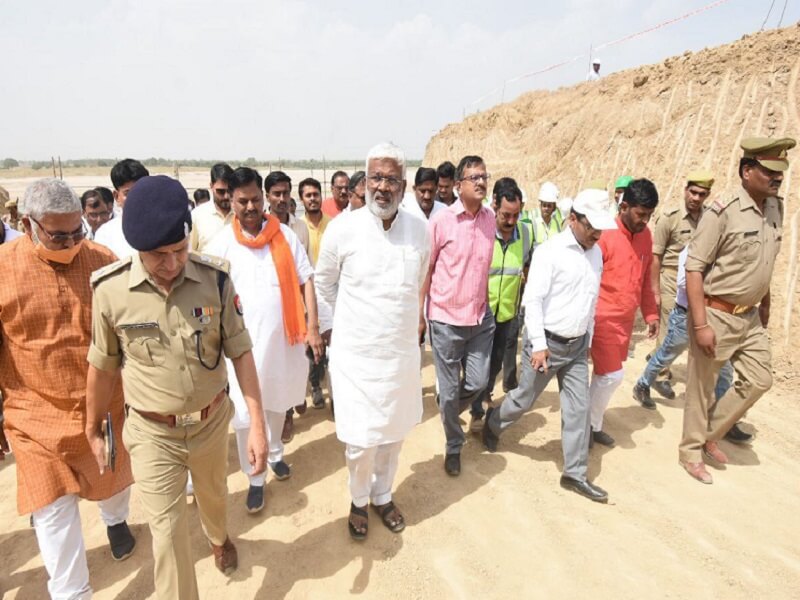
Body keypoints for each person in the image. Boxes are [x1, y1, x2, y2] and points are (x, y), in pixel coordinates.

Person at [86, 175, 268, 598]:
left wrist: (257, 424)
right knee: (166, 535)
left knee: (214, 499)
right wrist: (92, 425)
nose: (171, 264)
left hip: (209, 424)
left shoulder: (215, 280)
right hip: (152, 434)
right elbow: (102, 365)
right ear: (137, 248)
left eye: (180, 251)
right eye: (157, 256)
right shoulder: (110, 292)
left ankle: (219, 537)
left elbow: (240, 353)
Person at [0, 178, 135, 600]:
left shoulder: (103, 260)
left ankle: (115, 521)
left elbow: (129, 327)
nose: (74, 242)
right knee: (53, 511)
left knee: (111, 479)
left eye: (79, 230)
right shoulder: (2, 268)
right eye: (60, 235)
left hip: (103, 405)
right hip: (33, 416)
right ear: (28, 224)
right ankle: (73, 593)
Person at [315, 142, 430, 540]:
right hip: (355, 358)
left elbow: (418, 283)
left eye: (392, 179)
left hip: (398, 357)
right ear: (365, 182)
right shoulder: (342, 229)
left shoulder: (419, 230)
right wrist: (349, 323)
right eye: (377, 177)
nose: (384, 187)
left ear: (404, 185)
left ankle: (383, 495)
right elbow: (324, 284)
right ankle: (358, 499)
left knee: (393, 436)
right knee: (361, 442)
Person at [482, 189, 618, 502]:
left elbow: (590, 301)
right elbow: (533, 300)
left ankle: (574, 473)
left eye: (600, 227)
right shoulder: (551, 252)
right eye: (591, 226)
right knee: (524, 399)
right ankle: (493, 422)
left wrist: (588, 338)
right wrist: (540, 346)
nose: (597, 233)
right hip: (547, 344)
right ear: (573, 219)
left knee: (578, 409)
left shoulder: (595, 253)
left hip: (576, 345)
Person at [679, 136, 795, 484]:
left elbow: (765, 260)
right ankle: (690, 452)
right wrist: (700, 325)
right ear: (747, 171)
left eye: (781, 172)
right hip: (717, 312)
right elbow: (695, 268)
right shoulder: (722, 210)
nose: (777, 178)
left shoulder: (776, 207)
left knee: (761, 379)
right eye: (770, 171)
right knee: (702, 388)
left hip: (750, 317)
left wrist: (766, 301)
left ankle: (711, 433)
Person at [207, 167, 323, 513]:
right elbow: (210, 294)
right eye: (242, 201)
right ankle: (254, 477)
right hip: (242, 349)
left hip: (284, 343)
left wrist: (313, 327)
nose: (250, 207)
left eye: (256, 199)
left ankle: (275, 454)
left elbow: (307, 281)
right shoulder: (222, 243)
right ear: (232, 201)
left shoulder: (284, 235)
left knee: (277, 403)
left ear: (264, 197)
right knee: (245, 416)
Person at [424, 155, 496, 476]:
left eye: (484, 176)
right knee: (450, 389)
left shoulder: (490, 218)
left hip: (480, 318)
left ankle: (450, 409)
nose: (481, 182)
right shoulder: (441, 222)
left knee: (479, 381)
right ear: (457, 186)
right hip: (445, 319)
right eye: (474, 177)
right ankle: (454, 445)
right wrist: (419, 314)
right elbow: (426, 269)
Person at [589, 178, 660, 447]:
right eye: (641, 215)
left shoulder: (646, 236)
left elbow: (643, 281)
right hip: (601, 318)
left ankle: (590, 425)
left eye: (649, 215)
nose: (645, 221)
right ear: (625, 206)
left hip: (625, 322)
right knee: (612, 376)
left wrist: (651, 314)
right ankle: (585, 424)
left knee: (603, 376)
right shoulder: (604, 235)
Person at [633, 247, 734, 409]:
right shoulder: (691, 250)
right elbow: (683, 283)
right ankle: (642, 385)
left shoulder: (723, 254)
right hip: (685, 317)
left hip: (714, 319)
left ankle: (721, 414)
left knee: (725, 368)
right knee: (666, 355)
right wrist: (713, 287)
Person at [473, 180, 533, 431]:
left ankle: (483, 396)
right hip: (479, 314)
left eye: (516, 215)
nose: (511, 221)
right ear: (494, 205)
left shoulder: (526, 235)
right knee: (477, 365)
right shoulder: (482, 231)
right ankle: (475, 409)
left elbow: (528, 268)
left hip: (507, 314)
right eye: (506, 215)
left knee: (496, 363)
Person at [648, 171, 712, 399]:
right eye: (693, 192)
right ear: (685, 190)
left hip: (694, 282)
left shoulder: (709, 218)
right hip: (671, 279)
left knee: (687, 330)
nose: (696, 198)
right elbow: (656, 256)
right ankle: (659, 375)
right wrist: (655, 290)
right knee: (668, 330)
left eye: (701, 194)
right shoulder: (670, 218)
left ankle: (657, 359)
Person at [299, 177, 333, 409]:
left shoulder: (333, 224)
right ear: (301, 199)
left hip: (329, 294)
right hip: (306, 293)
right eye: (308, 195)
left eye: (315, 194)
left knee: (329, 343)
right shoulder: (299, 228)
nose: (313, 199)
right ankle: (314, 386)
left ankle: (334, 396)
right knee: (310, 345)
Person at [93, 158, 150, 259]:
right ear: (116, 196)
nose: (135, 198)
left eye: (141, 191)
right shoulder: (105, 235)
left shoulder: (163, 227)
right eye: (128, 193)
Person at [189, 163, 235, 252]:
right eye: (221, 191)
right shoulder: (197, 216)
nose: (226, 196)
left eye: (229, 191)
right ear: (211, 186)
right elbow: (190, 253)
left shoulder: (241, 215)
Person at [532, 181, 564, 247]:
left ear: (554, 207)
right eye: (544, 205)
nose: (546, 208)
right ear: (540, 206)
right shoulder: (532, 223)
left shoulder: (557, 224)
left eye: (549, 206)